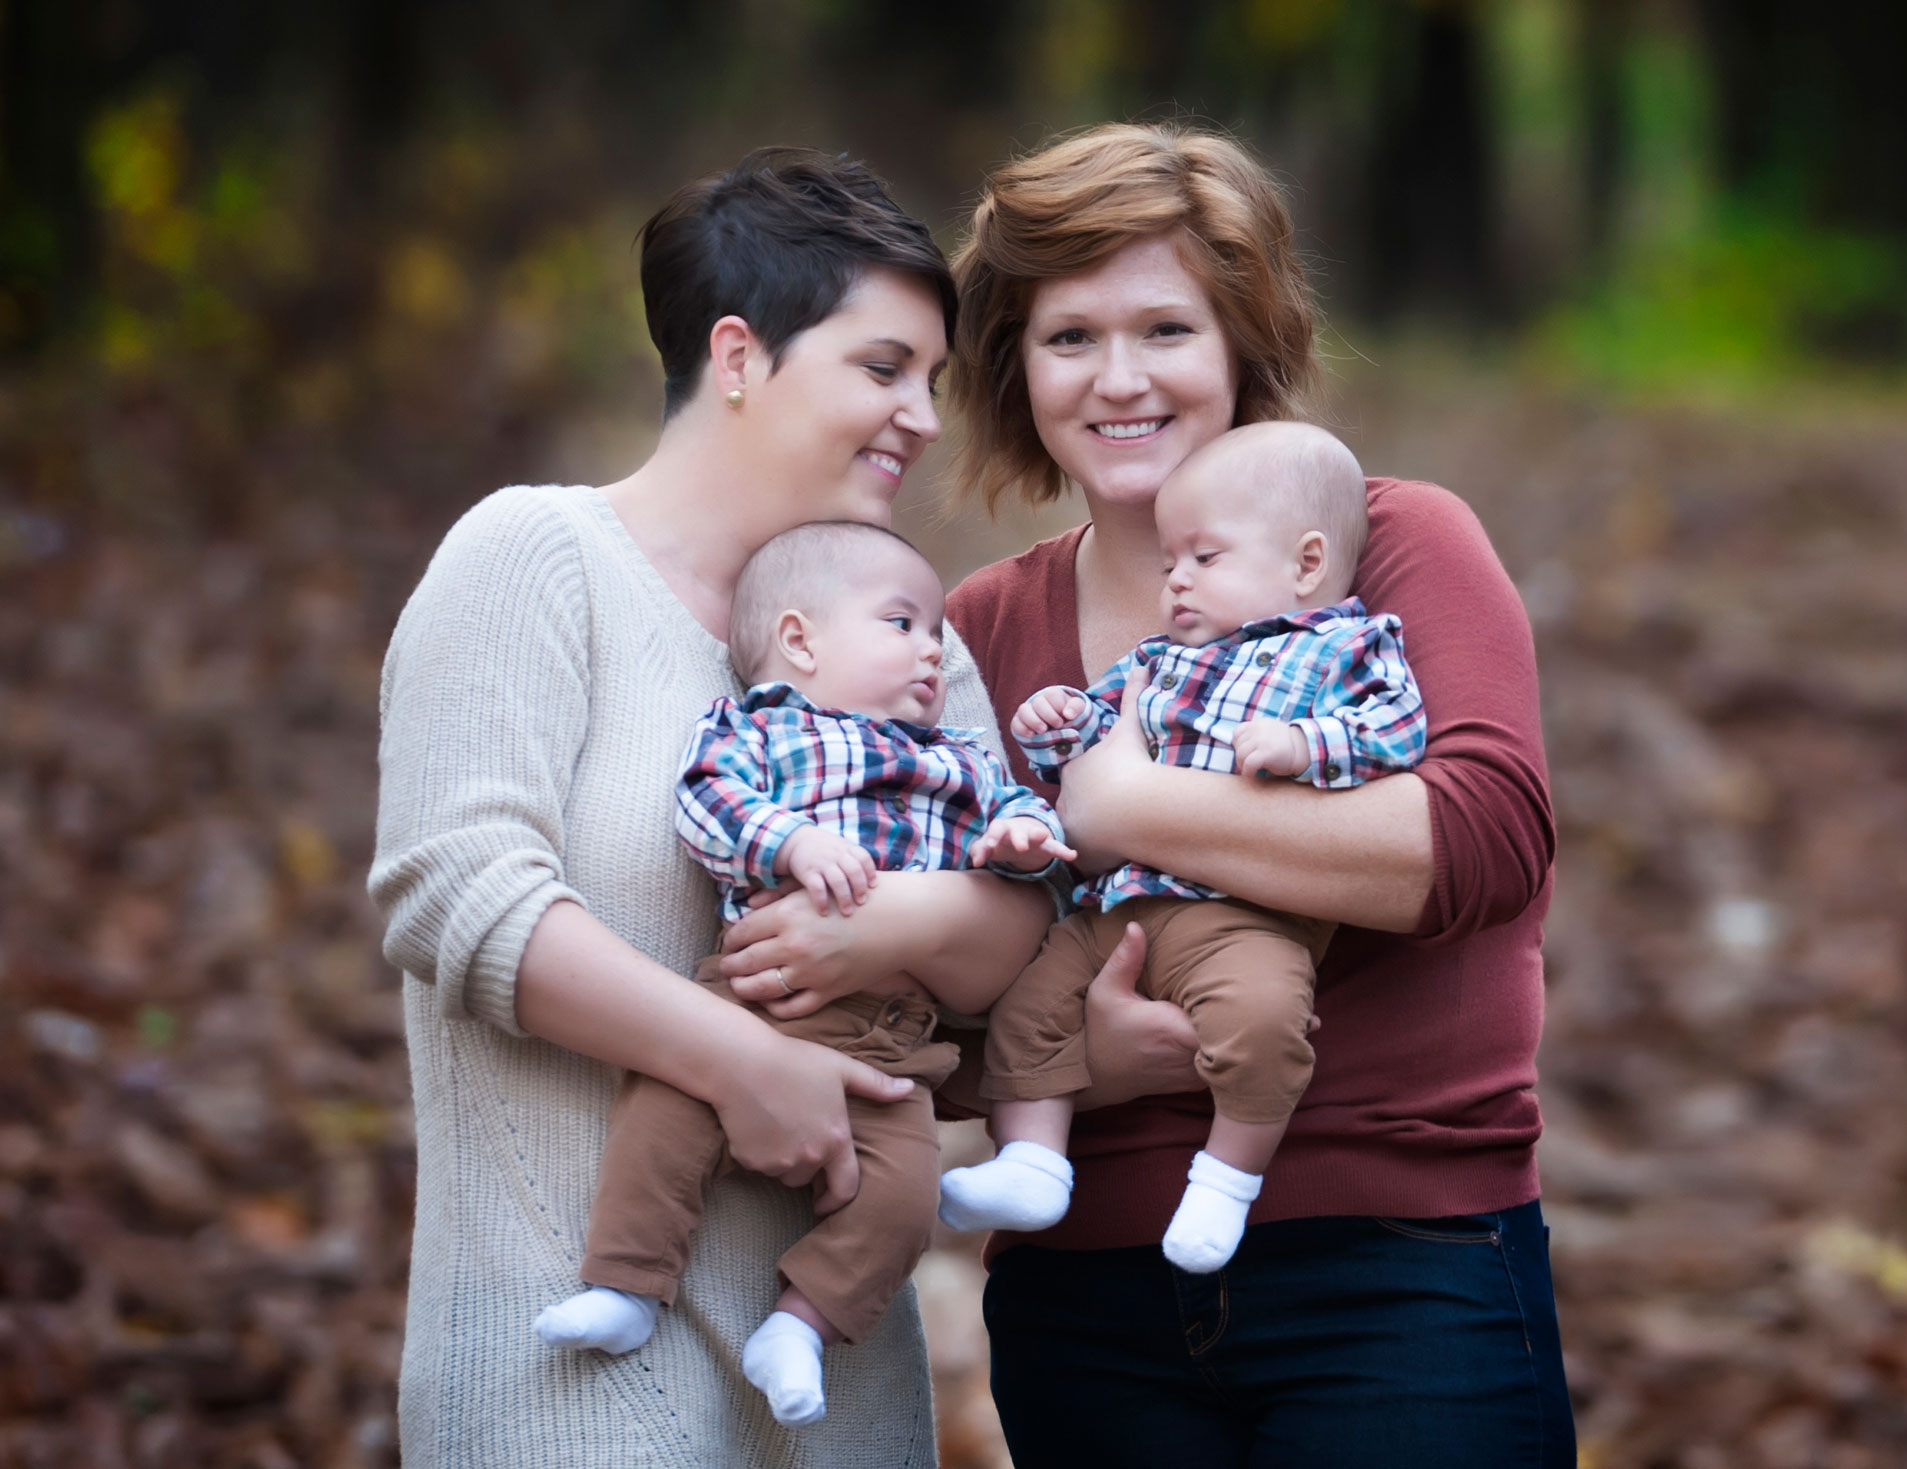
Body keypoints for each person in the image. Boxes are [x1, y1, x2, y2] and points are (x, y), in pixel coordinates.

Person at [369, 148, 1053, 1468]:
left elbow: (1008, 964)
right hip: (564, 1384)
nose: (923, 414)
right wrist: (745, 1064)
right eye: (882, 367)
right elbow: (456, 889)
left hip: (840, 1398)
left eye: (934, 379)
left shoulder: (916, 647)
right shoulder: (535, 560)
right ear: (738, 357)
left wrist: (890, 923)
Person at [936, 121, 1576, 1466]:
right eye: (1069, 338)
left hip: (1403, 1266)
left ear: (1242, 348)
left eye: (1166, 329)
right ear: (1013, 368)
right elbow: (916, 1003)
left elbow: (1483, 839)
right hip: (1085, 1301)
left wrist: (1123, 806)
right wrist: (1070, 1071)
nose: (1121, 380)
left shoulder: (1379, 545)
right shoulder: (974, 634)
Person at [532, 520, 1071, 1429]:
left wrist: (1017, 843)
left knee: (902, 1203)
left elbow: (1025, 833)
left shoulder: (960, 759)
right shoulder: (762, 729)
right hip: (753, 1005)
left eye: (936, 628)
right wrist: (790, 838)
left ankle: (801, 1321)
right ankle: (627, 1281)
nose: (933, 646)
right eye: (902, 622)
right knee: (660, 1122)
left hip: (891, 1042)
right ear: (799, 640)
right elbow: (707, 795)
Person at [937, 422, 1426, 1278]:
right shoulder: (1159, 661)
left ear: (1306, 565)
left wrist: (1308, 745)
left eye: (1203, 558)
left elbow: (1396, 728)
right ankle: (1033, 1162)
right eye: (1170, 564)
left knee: (1265, 1022)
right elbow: (1093, 743)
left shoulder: (1345, 648)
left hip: (1241, 916)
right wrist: (1056, 723)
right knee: (1031, 1005)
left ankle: (1226, 1179)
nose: (1177, 582)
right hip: (1117, 906)